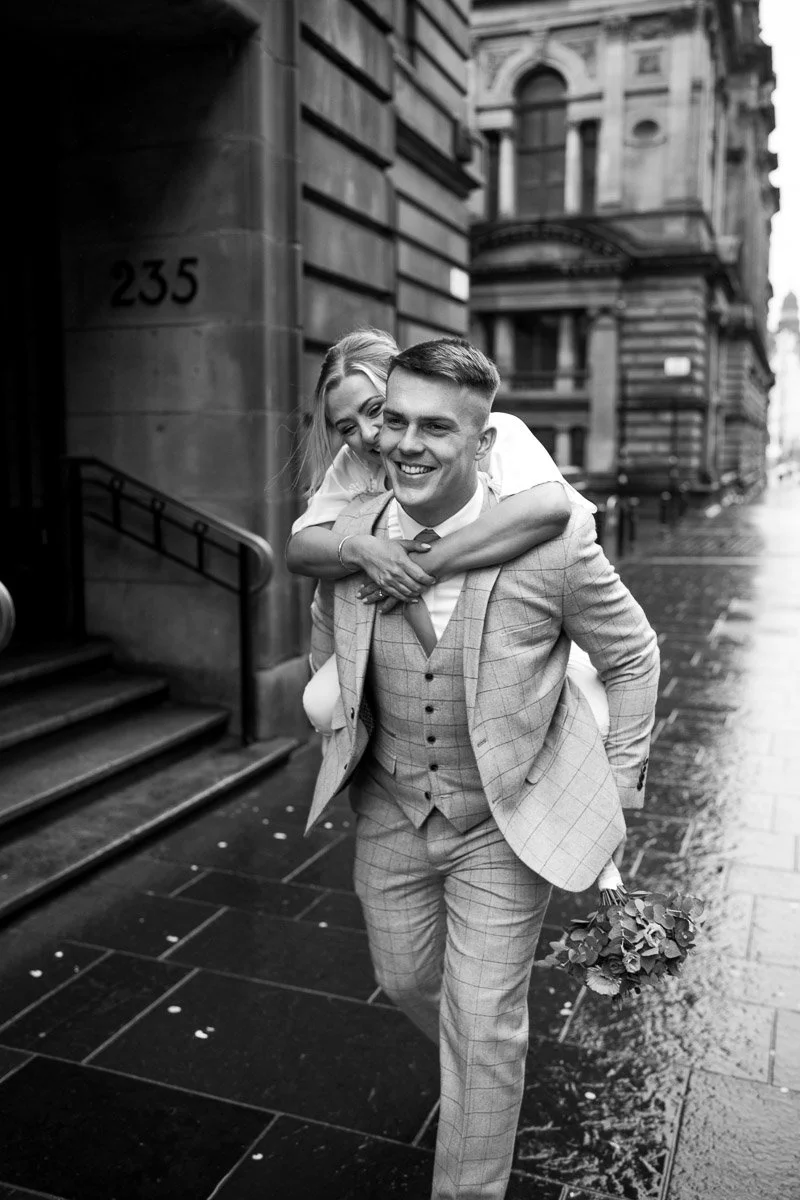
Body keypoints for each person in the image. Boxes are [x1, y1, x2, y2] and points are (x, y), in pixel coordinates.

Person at [305, 338, 660, 1200]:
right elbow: (326, 639)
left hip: (508, 819)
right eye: (396, 421)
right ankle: (479, 1065)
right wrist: (335, 727)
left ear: (484, 441)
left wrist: (621, 775)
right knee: (404, 978)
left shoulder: (554, 545)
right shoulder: (351, 547)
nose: (407, 444)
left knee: (485, 1020)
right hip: (390, 808)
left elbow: (634, 653)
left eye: (437, 427)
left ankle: (476, 1133)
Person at [287, 328, 609, 738]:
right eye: (347, 426)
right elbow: (299, 548)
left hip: (519, 618)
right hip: (393, 635)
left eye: (376, 411)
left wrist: (418, 565)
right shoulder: (355, 462)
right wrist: (363, 550)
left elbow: (549, 508)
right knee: (326, 705)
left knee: (589, 721)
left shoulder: (493, 433)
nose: (367, 434)